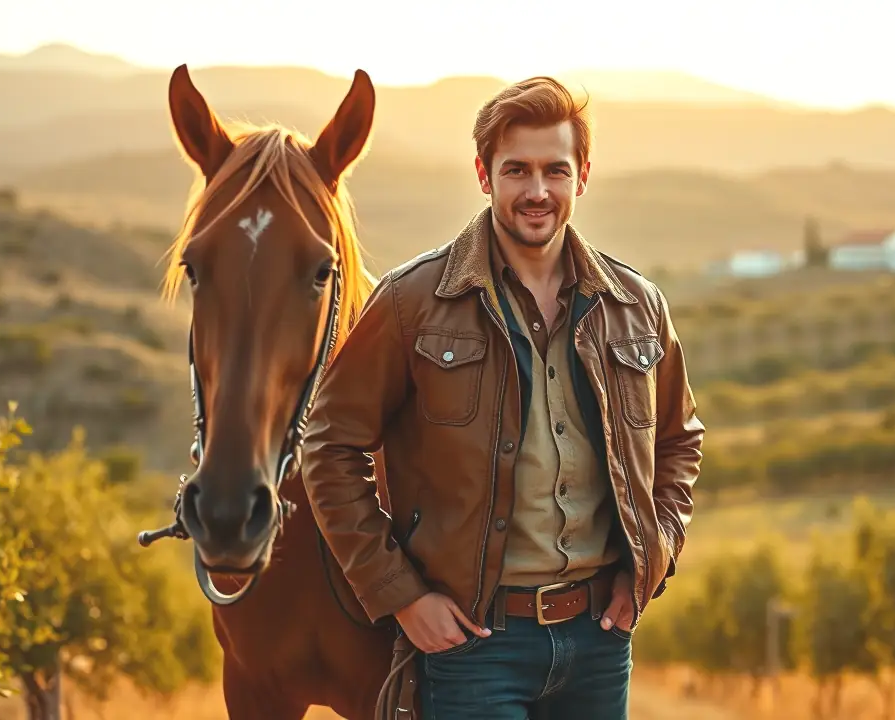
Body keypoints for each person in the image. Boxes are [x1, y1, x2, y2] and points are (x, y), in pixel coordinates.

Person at [301, 75, 705, 720]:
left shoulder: (638, 307)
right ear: (485, 176)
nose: (537, 191)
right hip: (474, 644)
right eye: (516, 170)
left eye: (555, 170)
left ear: (583, 176)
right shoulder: (412, 303)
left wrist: (651, 560)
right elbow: (328, 448)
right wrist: (401, 594)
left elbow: (680, 440)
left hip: (601, 640)